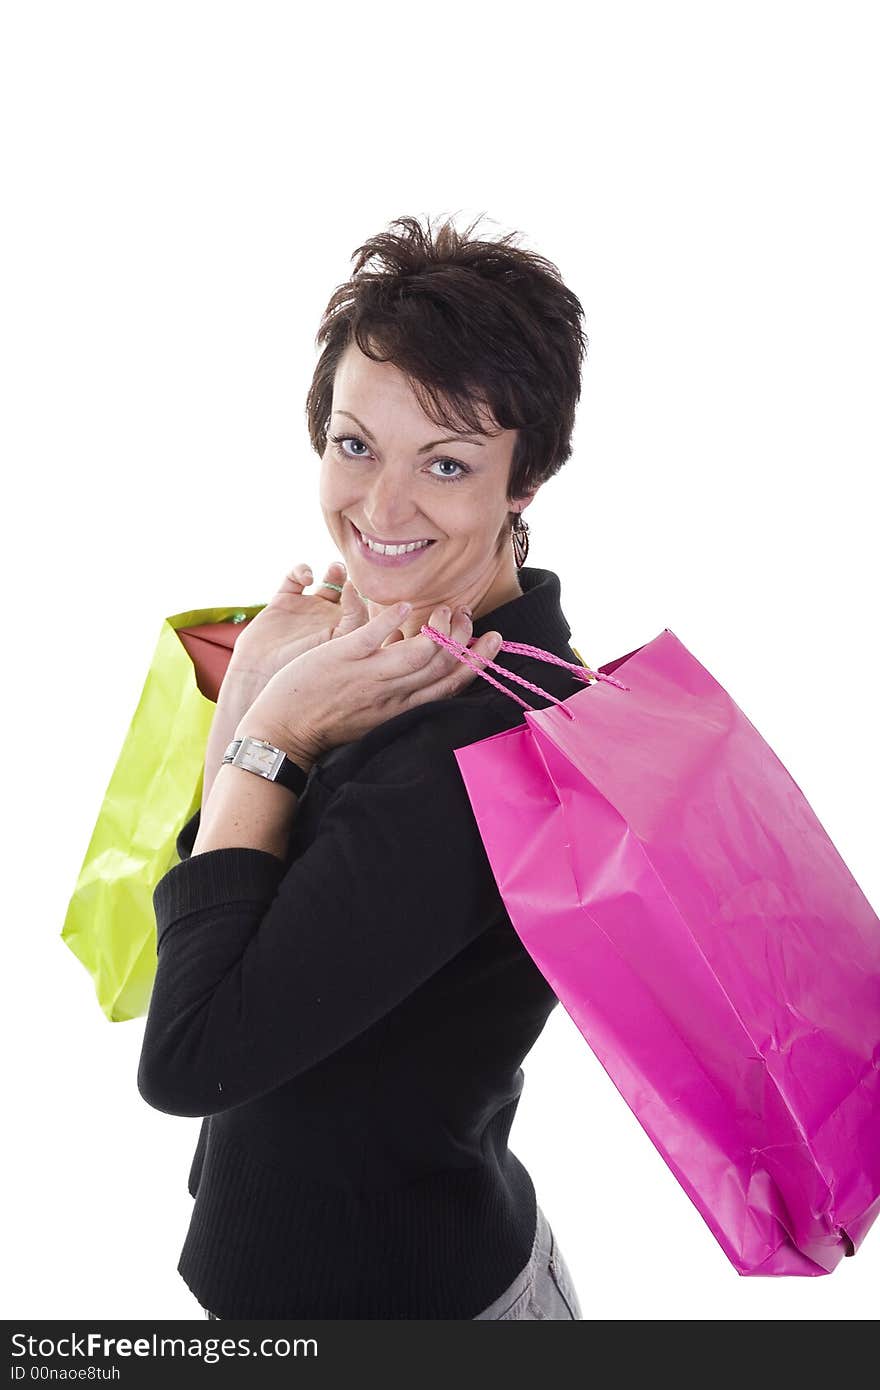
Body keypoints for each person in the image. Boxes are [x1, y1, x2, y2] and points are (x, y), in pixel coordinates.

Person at [137, 212, 589, 1320]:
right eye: (354, 445)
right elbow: (219, 942)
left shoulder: (480, 744)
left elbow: (189, 1055)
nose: (380, 511)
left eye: (445, 462)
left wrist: (269, 735)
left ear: (525, 476)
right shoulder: (387, 652)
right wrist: (255, 697)